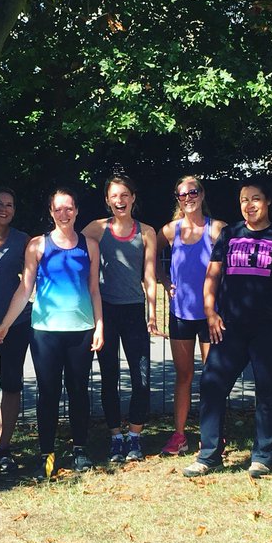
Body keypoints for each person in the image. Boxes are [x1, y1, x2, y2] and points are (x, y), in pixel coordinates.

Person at [183, 178, 272, 479]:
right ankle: (209, 454)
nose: (249, 205)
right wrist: (210, 313)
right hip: (230, 326)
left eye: (255, 199)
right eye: (243, 200)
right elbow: (212, 277)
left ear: (267, 202)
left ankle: (263, 455)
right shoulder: (229, 233)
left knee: (269, 391)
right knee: (212, 385)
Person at [0, 189, 104, 476]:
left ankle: (79, 449)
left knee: (79, 391)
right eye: (58, 209)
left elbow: (94, 289)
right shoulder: (37, 245)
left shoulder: (89, 245)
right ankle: (47, 454)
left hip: (80, 330)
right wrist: (4, 324)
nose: (64, 214)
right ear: (51, 212)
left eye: (69, 209)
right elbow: (25, 288)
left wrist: (99, 325)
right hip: (45, 332)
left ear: (77, 211)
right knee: (48, 393)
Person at [82, 174, 158, 463]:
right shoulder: (96, 229)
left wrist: (152, 312)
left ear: (133, 198)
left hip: (134, 310)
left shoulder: (146, 231)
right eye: (114, 196)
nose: (120, 200)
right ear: (107, 200)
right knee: (109, 376)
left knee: (141, 377)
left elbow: (149, 276)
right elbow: (66, 241)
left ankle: (135, 437)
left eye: (125, 194)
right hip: (105, 311)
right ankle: (115, 437)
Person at [159, 175, 225, 456]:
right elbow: (149, 258)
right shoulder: (170, 230)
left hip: (211, 315)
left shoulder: (216, 229)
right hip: (180, 314)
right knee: (183, 376)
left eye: (192, 192)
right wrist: (163, 281)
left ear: (202, 194)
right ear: (177, 199)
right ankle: (180, 435)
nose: (188, 198)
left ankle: (214, 435)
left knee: (212, 377)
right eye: (182, 194)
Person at [0, 188, 31, 475]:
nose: (4, 208)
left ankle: (4, 448)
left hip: (15, 325)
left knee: (11, 386)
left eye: (10, 205)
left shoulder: (22, 240)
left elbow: (28, 283)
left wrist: (5, 324)